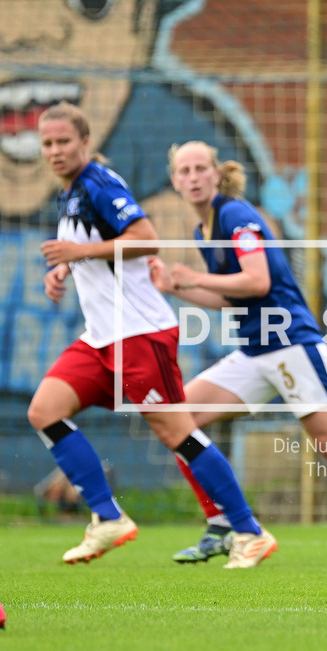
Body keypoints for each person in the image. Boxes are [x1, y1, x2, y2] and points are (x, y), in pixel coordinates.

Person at [27, 101, 276, 568]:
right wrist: (66, 266)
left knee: (177, 433)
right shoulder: (72, 193)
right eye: (48, 143)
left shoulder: (100, 183)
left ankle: (248, 530)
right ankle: (107, 518)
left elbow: (145, 236)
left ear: (86, 143)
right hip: (102, 338)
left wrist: (78, 250)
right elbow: (95, 250)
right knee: (45, 411)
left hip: (140, 335)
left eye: (64, 141)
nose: (55, 150)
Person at [149, 140, 327, 562]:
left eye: (201, 168)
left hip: (291, 345)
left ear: (217, 174)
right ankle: (224, 526)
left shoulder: (235, 213)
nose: (193, 177)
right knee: (176, 420)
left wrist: (193, 278)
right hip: (255, 351)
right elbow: (231, 298)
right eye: (184, 171)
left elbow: (256, 282)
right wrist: (179, 287)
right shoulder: (204, 229)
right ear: (175, 181)